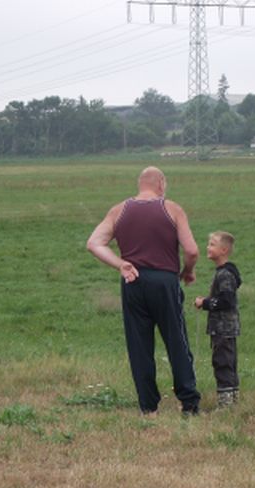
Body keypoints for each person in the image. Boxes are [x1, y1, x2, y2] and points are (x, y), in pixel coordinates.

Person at [86, 166, 201, 416]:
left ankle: (148, 407)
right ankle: (189, 402)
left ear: (140, 184)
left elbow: (94, 243)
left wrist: (120, 264)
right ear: (161, 184)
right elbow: (192, 250)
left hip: (133, 280)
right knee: (176, 341)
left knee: (139, 346)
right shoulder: (171, 208)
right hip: (165, 281)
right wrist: (187, 270)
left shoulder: (119, 210)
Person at [195, 231, 242, 409]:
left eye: (212, 244)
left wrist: (204, 303)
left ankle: (226, 405)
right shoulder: (224, 273)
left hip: (223, 328)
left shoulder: (224, 275)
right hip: (225, 328)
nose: (208, 247)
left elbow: (226, 300)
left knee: (222, 363)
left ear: (223, 250)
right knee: (228, 363)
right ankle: (233, 400)